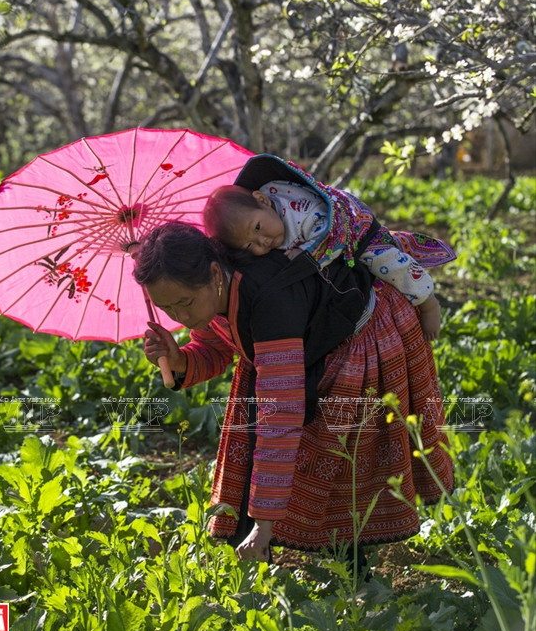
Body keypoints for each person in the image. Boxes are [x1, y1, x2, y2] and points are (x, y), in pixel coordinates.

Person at [133, 221, 454, 565]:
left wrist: (264, 522)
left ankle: (353, 570)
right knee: (258, 427)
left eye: (184, 303)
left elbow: (280, 417)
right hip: (303, 346)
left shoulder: (269, 303)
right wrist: (179, 358)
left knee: (342, 457)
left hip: (359, 341)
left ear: (215, 273)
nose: (180, 316)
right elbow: (216, 346)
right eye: (168, 310)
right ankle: (262, 544)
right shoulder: (215, 288)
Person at [203, 154, 456, 341]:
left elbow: (330, 238)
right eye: (249, 245)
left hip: (350, 227)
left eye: (257, 228)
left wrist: (303, 254)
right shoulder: (263, 214)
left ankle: (427, 299)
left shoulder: (303, 213)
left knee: (387, 262)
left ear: (263, 200)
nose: (262, 242)